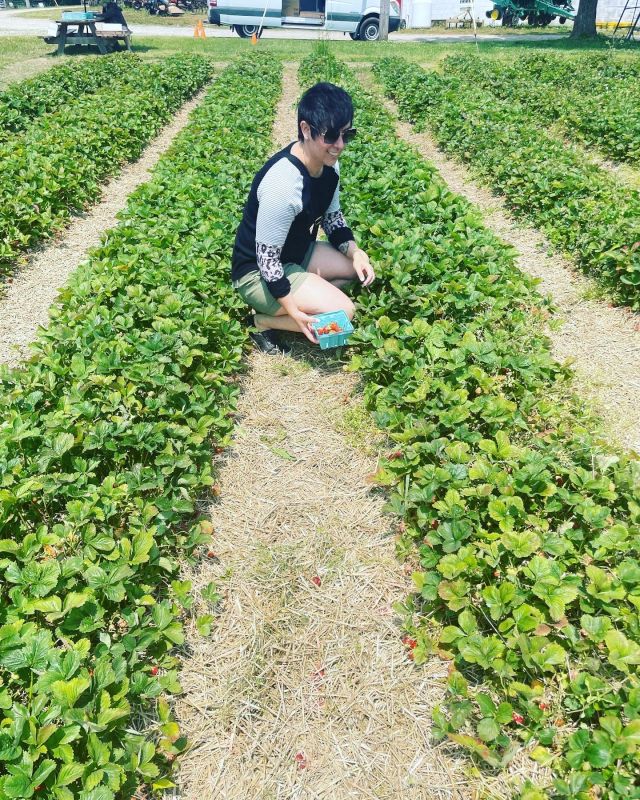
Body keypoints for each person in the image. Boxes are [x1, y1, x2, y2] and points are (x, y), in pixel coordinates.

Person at [231, 81, 375, 355]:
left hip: (296, 253)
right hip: (256, 273)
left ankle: (309, 297)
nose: (340, 146)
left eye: (347, 134)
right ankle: (263, 321)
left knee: (355, 271)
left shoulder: (328, 165)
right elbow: (267, 261)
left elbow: (333, 219)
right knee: (344, 313)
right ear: (305, 129)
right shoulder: (284, 184)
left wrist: (356, 253)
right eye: (331, 135)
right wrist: (293, 312)